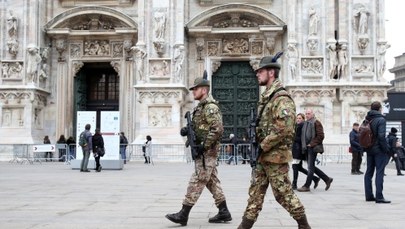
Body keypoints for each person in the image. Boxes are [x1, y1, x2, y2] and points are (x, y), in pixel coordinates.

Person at [237, 54, 310, 229]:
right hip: (264, 156)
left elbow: (283, 128)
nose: (257, 74)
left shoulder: (281, 98)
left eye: (260, 71)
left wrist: (262, 145)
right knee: (255, 194)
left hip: (275, 157)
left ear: (271, 72)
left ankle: (304, 225)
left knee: (283, 194)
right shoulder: (267, 97)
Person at [166, 72, 232, 226]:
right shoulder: (200, 107)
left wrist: (204, 145)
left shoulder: (210, 107)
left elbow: (217, 129)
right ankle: (224, 211)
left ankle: (184, 213)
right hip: (203, 151)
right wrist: (186, 131)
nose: (193, 92)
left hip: (207, 152)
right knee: (211, 181)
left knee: (197, 179)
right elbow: (200, 127)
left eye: (195, 89)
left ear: (204, 90)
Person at [297, 108, 333, 192]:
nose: (307, 115)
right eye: (306, 114)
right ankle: (327, 179)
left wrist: (311, 144)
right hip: (306, 148)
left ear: (313, 114)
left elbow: (321, 136)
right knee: (311, 166)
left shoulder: (316, 122)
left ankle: (307, 185)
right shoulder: (306, 123)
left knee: (310, 167)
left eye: (308, 113)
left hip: (313, 148)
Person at [364, 101, 391, 203]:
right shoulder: (381, 120)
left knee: (369, 172)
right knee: (379, 172)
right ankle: (379, 196)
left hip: (369, 149)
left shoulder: (367, 119)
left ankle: (369, 195)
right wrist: (386, 149)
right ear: (379, 109)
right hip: (379, 150)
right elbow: (381, 136)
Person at [292, 113, 320, 190]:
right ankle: (315, 178)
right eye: (297, 118)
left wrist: (292, 138)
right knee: (298, 167)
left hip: (299, 149)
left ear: (303, 119)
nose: (298, 119)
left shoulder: (302, 127)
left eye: (300, 118)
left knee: (295, 167)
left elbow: (301, 139)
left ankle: (294, 184)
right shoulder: (297, 126)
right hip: (296, 149)